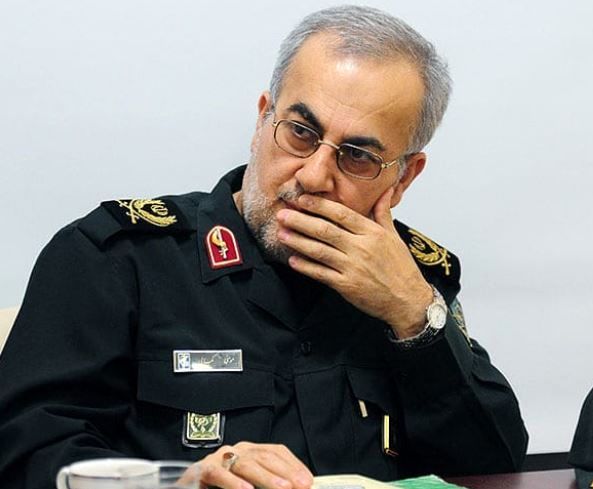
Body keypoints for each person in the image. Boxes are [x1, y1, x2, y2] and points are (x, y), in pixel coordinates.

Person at [0, 6, 528, 489]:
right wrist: (177, 482)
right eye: (300, 132)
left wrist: (413, 315)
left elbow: (493, 467)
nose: (314, 175)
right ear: (261, 118)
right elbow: (24, 455)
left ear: (405, 176)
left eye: (357, 157)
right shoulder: (117, 259)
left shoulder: (412, 281)